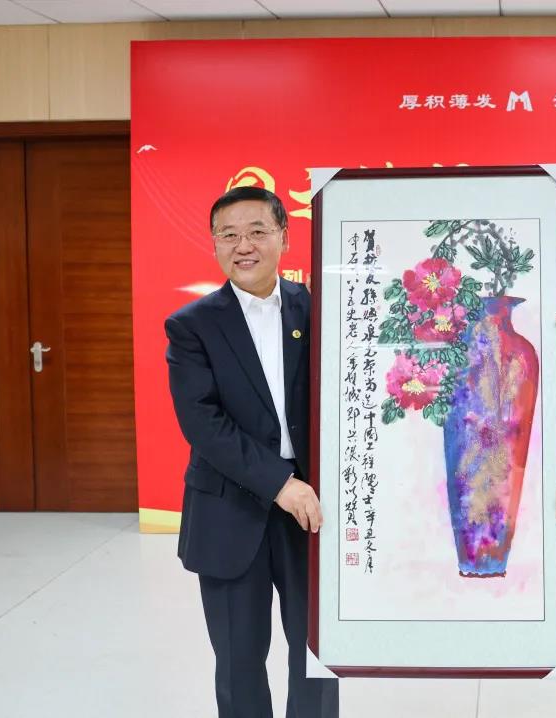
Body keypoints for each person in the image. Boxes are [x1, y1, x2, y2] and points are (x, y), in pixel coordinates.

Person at [165, 186, 338, 718]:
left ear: (284, 237)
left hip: (313, 508)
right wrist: (279, 484)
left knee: (317, 656)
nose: (244, 245)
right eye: (229, 235)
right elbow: (203, 424)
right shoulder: (191, 325)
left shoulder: (322, 309)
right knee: (239, 661)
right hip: (230, 507)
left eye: (258, 231)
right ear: (214, 244)